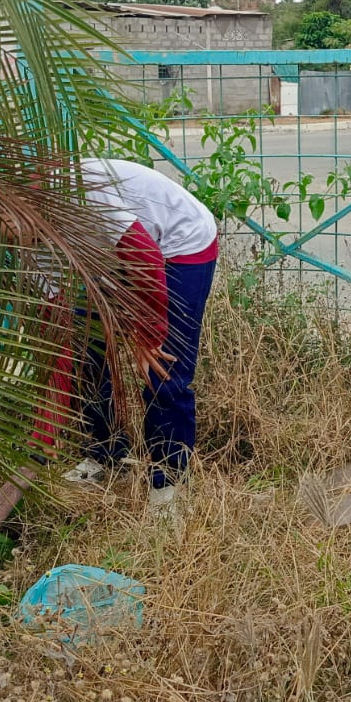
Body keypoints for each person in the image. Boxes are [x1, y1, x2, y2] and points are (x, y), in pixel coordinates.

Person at [62, 157, 219, 514]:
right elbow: (59, 324)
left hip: (179, 242)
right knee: (87, 350)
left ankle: (168, 486)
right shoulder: (20, 226)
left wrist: (147, 335)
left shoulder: (82, 187)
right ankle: (106, 454)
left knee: (163, 368)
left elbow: (145, 256)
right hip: (113, 255)